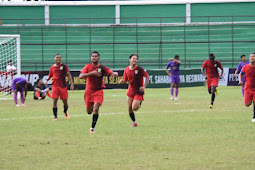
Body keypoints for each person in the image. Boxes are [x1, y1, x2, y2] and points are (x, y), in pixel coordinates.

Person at [79, 51, 118, 133]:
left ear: (99, 58)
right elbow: (81, 76)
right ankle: (91, 107)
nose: (94, 57)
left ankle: (92, 128)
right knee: (89, 111)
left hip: (98, 91)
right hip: (88, 92)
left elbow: (111, 73)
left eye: (96, 56)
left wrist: (114, 74)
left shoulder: (102, 68)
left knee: (96, 108)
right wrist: (92, 73)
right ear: (91, 58)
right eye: (93, 56)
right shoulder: (88, 67)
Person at [119, 54, 149, 127]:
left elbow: (147, 77)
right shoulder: (126, 69)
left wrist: (144, 86)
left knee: (134, 108)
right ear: (130, 60)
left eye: (136, 59)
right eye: (133, 58)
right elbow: (125, 80)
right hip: (130, 90)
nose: (135, 60)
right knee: (129, 107)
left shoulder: (140, 69)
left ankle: (140, 101)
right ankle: (134, 122)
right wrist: (122, 81)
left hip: (138, 91)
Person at [45, 54, 74, 120]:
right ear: (54, 59)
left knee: (65, 102)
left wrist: (72, 84)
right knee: (54, 100)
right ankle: (55, 117)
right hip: (55, 86)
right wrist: (47, 80)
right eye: (57, 57)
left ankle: (65, 111)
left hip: (63, 86)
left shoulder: (64, 66)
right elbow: (50, 75)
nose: (58, 58)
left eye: (59, 57)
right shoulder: (52, 67)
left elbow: (69, 75)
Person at [239, 53, 255, 122]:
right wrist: (240, 81)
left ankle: (254, 117)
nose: (252, 58)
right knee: (247, 104)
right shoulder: (245, 67)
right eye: (251, 56)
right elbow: (241, 74)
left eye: (253, 56)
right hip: (248, 88)